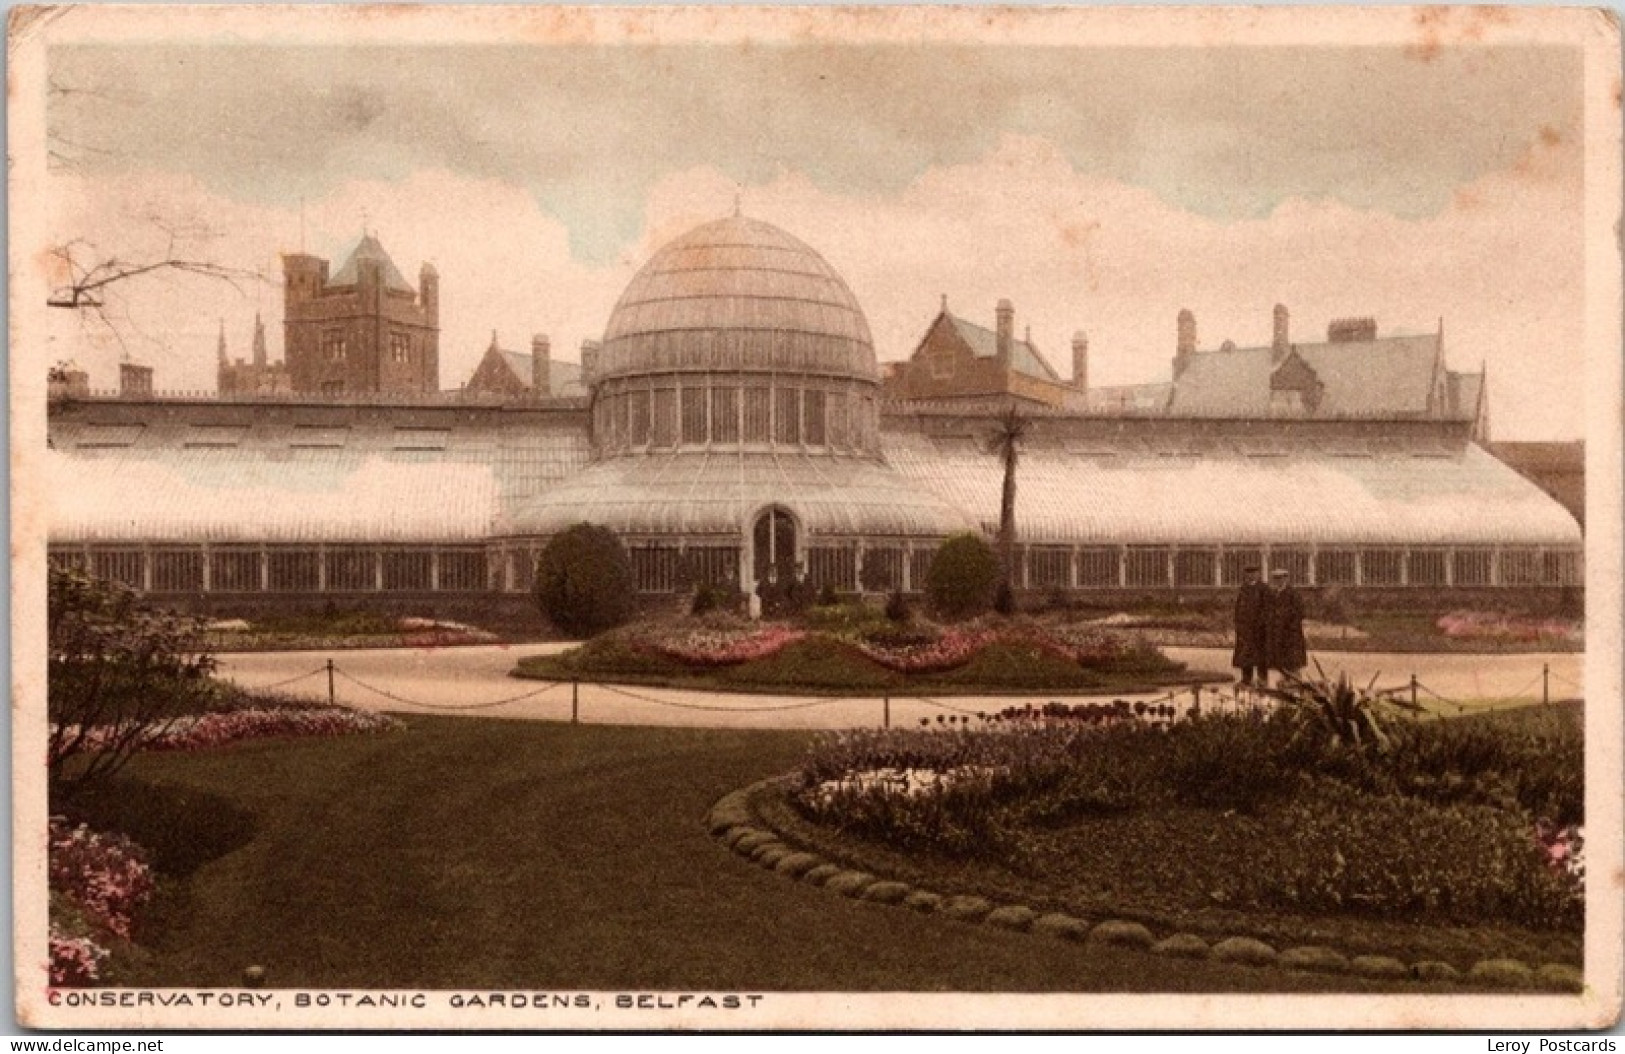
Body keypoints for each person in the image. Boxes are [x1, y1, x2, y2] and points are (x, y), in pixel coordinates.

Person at [1263, 568, 1308, 684]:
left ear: (1286, 579)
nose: (1278, 581)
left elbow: (1299, 612)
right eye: (1276, 579)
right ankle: (1285, 678)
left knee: (1292, 659)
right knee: (1281, 658)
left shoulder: (1293, 594)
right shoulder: (1273, 594)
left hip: (1291, 633)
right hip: (1278, 632)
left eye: (1281, 578)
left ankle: (1295, 680)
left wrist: (1287, 620)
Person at [1231, 565, 1268, 685]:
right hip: (1245, 628)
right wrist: (1238, 623)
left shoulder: (1263, 589)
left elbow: (1267, 609)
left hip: (1259, 629)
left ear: (1258, 574)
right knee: (1245, 654)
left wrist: (1261, 623)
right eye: (1248, 573)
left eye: (1254, 573)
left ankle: (1262, 679)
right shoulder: (1243, 589)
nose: (1251, 576)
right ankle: (1246, 678)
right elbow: (1238, 608)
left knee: (1261, 655)